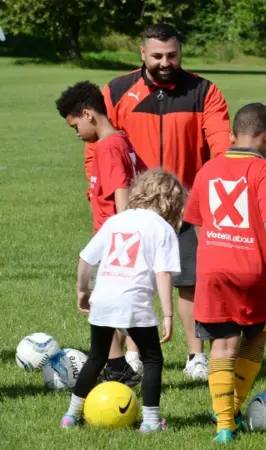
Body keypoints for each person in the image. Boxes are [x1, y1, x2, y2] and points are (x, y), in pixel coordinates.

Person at [83, 23, 232, 381]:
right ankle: (132, 355)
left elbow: (222, 147)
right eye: (157, 56)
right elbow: (98, 147)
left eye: (172, 55)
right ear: (142, 53)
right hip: (133, 209)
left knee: (189, 282)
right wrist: (97, 193)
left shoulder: (204, 91)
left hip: (186, 208)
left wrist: (211, 195)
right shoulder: (118, 90)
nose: (166, 62)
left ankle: (196, 355)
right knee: (131, 282)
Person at [183, 103, 266, 442]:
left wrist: (216, 251)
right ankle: (234, 403)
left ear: (231, 136)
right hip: (252, 269)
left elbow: (197, 221)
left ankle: (224, 424)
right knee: (256, 335)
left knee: (222, 345)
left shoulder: (208, 169)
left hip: (213, 269)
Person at [60, 169, 185, 433]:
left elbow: (86, 258)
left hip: (103, 299)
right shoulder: (163, 229)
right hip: (134, 302)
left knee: (96, 357)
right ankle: (150, 422)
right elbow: (162, 273)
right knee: (152, 359)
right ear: (172, 203)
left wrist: (82, 290)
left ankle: (71, 416)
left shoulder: (116, 220)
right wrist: (168, 314)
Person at [55, 80, 147, 387]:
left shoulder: (107, 146)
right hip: (117, 238)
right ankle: (120, 365)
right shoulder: (121, 140)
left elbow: (121, 191)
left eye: (75, 126)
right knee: (114, 306)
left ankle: (118, 367)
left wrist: (122, 237)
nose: (78, 134)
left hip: (113, 240)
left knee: (100, 304)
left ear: (88, 114)